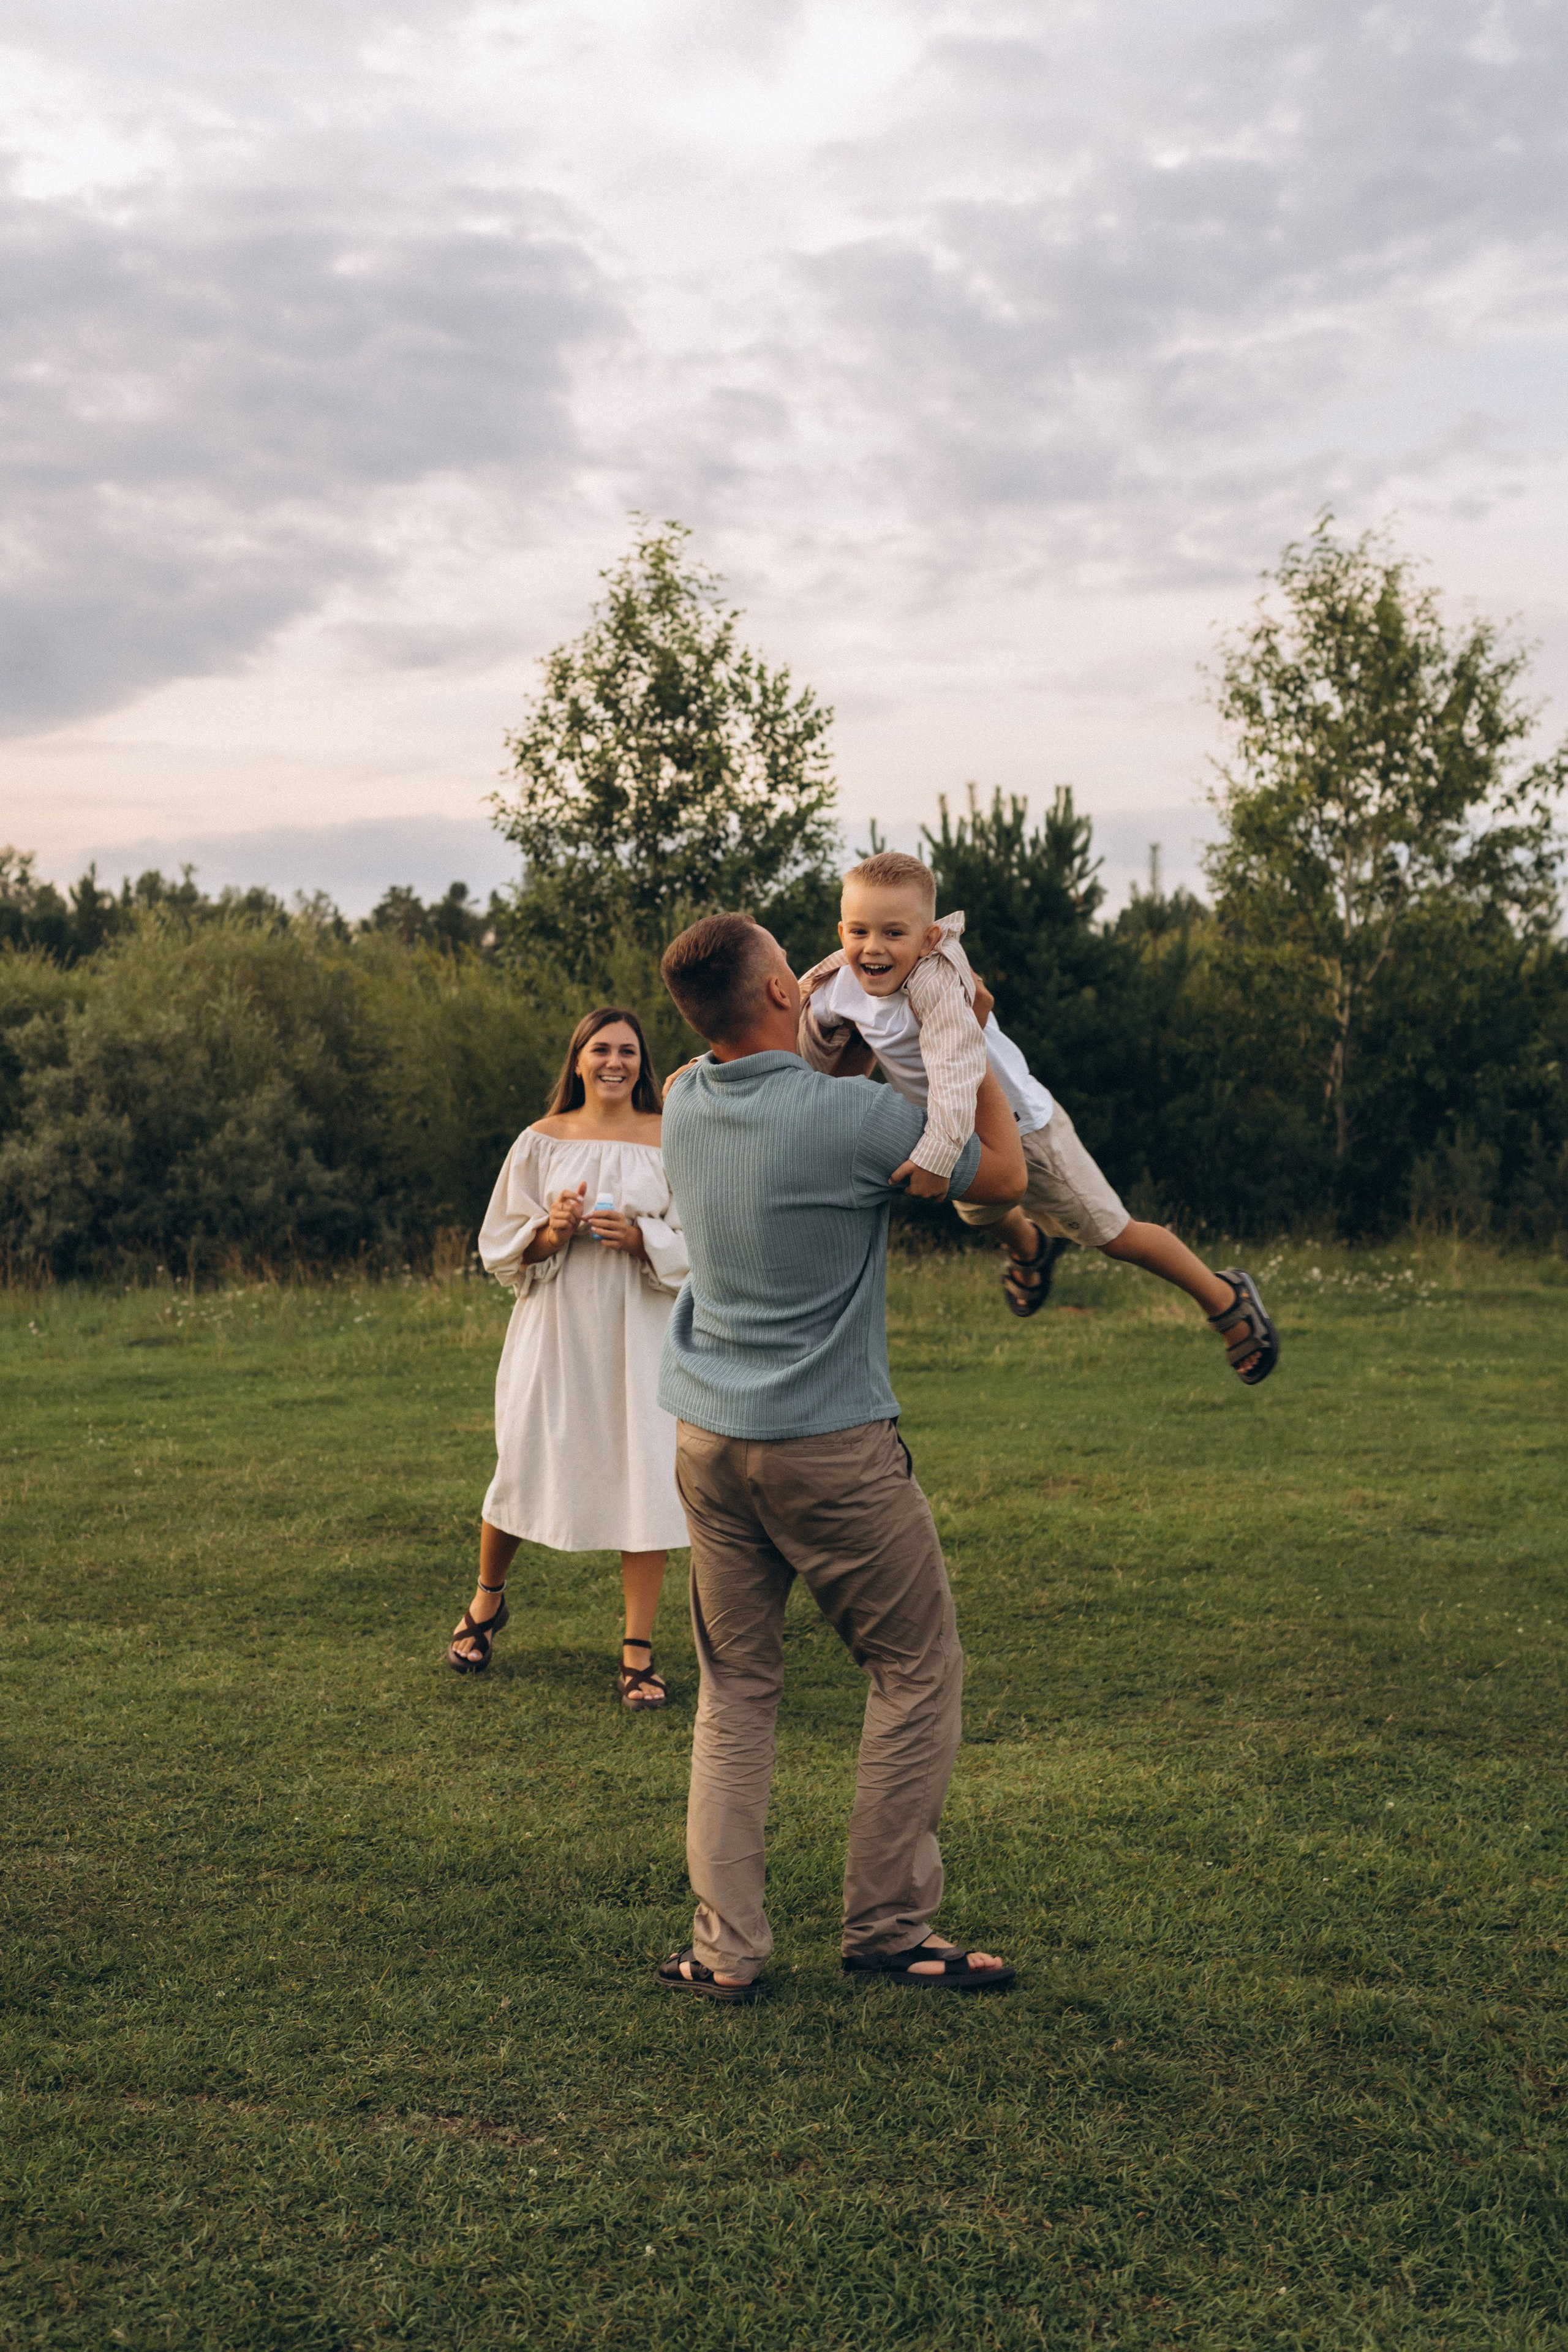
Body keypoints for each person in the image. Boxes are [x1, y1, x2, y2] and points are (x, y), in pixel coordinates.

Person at [650, 911, 1027, 2001]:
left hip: (710, 1439)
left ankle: (726, 1953)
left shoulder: (680, 1099)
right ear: (781, 994)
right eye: (796, 966)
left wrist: (827, 1007)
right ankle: (889, 1931)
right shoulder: (857, 1120)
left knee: (736, 1691)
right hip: (830, 1447)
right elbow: (998, 1175)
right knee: (915, 1670)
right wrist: (966, 1034)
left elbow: (752, 1040)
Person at [798, 850, 1279, 1384]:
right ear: (841, 930)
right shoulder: (837, 983)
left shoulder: (935, 986)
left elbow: (958, 1072)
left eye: (894, 933)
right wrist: (712, 1066)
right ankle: (1034, 1248)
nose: (874, 948)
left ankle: (1224, 1296)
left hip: (1025, 1129)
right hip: (951, 1131)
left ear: (930, 939)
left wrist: (935, 1157)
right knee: (985, 1214)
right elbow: (789, 1032)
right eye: (860, 931)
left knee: (1114, 1235)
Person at [447, 1007, 689, 1708]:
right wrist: (552, 1232)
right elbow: (499, 1244)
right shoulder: (540, 1141)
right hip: (555, 1328)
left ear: (644, 1063)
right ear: (578, 1059)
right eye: (601, 1049)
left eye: (628, 1051)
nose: (615, 1062)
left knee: (647, 1471)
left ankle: (637, 1651)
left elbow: (702, 1239)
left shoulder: (671, 1138)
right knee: (524, 1459)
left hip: (641, 1330)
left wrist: (646, 1240)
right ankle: (488, 1602)